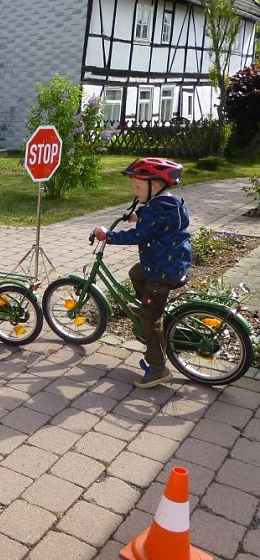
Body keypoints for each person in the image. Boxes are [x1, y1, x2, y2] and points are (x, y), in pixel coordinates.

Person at [93, 157, 192, 389]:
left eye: (138, 187)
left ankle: (158, 368)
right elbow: (158, 220)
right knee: (136, 273)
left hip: (162, 271)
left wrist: (108, 235)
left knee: (149, 317)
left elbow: (139, 235)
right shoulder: (170, 203)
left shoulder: (156, 207)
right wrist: (139, 216)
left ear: (155, 186)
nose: (135, 192)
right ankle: (147, 305)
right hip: (172, 263)